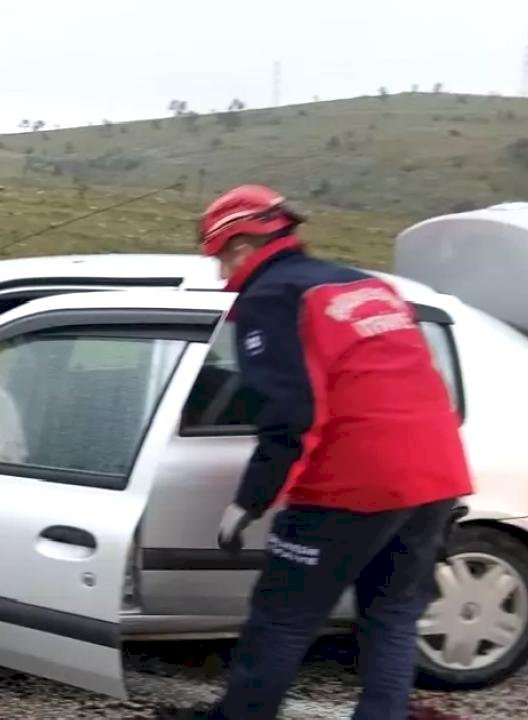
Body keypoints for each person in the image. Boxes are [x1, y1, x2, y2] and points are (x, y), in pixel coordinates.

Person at [162, 185, 473, 720]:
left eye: (218, 258)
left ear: (239, 245)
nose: (219, 273)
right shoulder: (368, 286)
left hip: (350, 486)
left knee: (282, 618)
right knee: (392, 616)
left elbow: (291, 412)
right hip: (435, 476)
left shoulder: (272, 298)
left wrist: (251, 500)